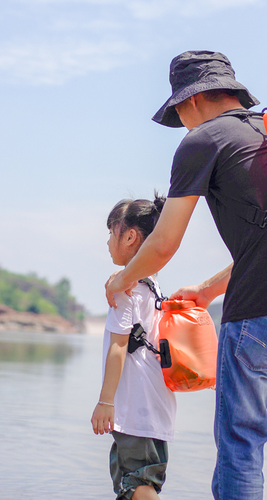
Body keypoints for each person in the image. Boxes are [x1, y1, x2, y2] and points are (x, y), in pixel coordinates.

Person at [105, 51, 267, 500]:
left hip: (259, 316)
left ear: (190, 100)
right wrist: (208, 289)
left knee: (241, 443)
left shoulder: (204, 141)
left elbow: (163, 243)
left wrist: (121, 280)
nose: (181, 121)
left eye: (177, 111)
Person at [92, 194, 176, 500]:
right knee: (142, 482)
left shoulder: (125, 291)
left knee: (136, 484)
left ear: (129, 237)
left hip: (135, 408)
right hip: (157, 406)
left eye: (111, 232)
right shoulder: (152, 287)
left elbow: (118, 347)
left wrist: (105, 402)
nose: (108, 242)